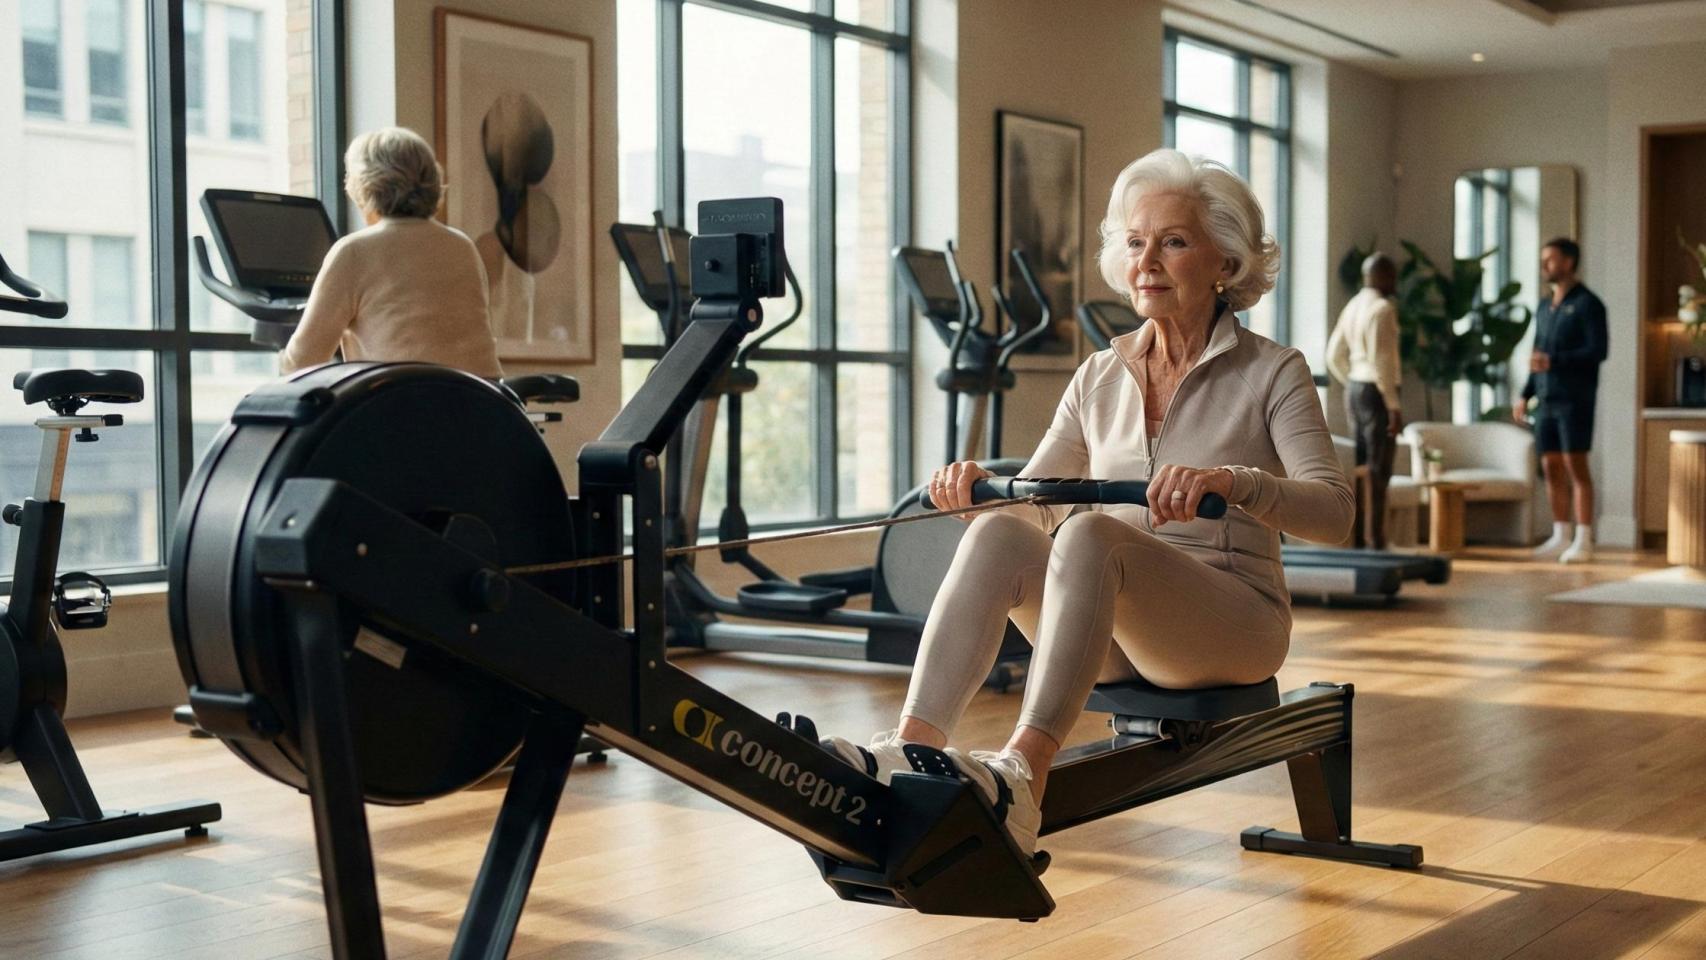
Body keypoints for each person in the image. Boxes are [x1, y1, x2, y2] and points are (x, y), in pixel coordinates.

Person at [826, 149, 1352, 858]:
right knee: (998, 537)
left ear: (1225, 262)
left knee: (1091, 535)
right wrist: (976, 498)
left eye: (1173, 242)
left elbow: (1334, 513)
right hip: (1114, 629)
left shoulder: (1273, 371)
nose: (1147, 262)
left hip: (1234, 625)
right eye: (1135, 243)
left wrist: (1236, 483)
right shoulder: (1100, 375)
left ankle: (1022, 776)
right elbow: (1037, 506)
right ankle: (909, 750)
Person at [280, 127, 503, 378]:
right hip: (482, 399)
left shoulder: (353, 252)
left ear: (364, 185)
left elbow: (301, 363)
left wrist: (281, 352)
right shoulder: (463, 246)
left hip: (401, 400)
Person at [1515, 238, 1607, 563]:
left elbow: (1598, 351)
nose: (1544, 266)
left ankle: (1584, 539)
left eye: (1550, 260)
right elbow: (1538, 355)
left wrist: (1555, 361)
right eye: (1543, 260)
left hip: (1574, 400)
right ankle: (1560, 535)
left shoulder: (1589, 305)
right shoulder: (1544, 307)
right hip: (1545, 400)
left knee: (1575, 466)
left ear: (1568, 262)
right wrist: (1525, 393)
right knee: (1550, 466)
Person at [1326, 252, 1403, 549]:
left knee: (1361, 467)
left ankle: (1358, 538)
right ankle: (1377, 540)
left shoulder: (1353, 305)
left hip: (1356, 389)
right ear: (1381, 276)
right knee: (1378, 468)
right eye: (1392, 275)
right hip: (1377, 392)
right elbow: (1382, 361)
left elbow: (1334, 354)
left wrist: (1351, 381)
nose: (1395, 281)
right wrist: (1393, 405)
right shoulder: (1382, 308)